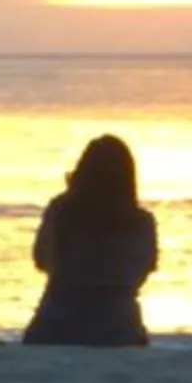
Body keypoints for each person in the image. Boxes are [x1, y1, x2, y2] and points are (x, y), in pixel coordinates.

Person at [24, 134, 157, 347]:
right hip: (119, 329)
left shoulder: (61, 211)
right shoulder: (141, 221)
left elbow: (41, 259)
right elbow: (144, 269)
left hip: (56, 325)